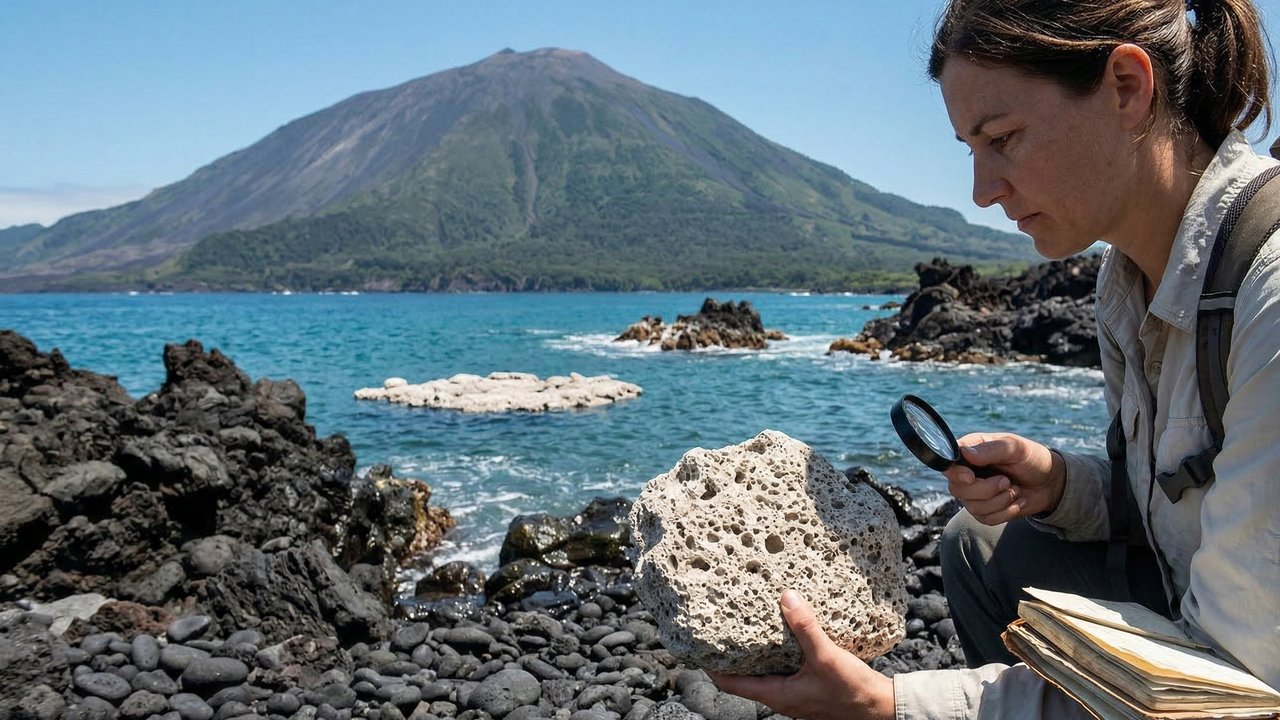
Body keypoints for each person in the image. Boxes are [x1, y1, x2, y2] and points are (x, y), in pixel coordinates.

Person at [708, 0, 1280, 717]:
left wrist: (887, 705)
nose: (981, 192)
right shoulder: (1124, 282)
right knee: (977, 544)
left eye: (1003, 138)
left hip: (1246, 669)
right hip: (1221, 615)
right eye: (969, 150)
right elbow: (1184, 500)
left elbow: (1235, 688)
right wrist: (1061, 486)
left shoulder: (1268, 293)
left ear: (1127, 88)